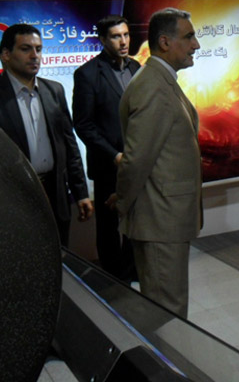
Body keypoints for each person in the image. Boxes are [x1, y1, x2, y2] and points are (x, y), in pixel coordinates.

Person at [107, 8, 202, 318]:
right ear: (164, 42)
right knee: (166, 312)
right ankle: (164, 355)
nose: (196, 45)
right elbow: (136, 161)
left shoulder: (161, 81)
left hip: (166, 217)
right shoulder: (153, 87)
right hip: (160, 219)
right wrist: (124, 202)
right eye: (189, 37)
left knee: (167, 305)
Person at [0, 23, 94, 245]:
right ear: (6, 55)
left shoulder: (54, 90)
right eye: (26, 49)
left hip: (55, 194)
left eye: (39, 49)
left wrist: (81, 192)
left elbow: (69, 144)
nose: (35, 56)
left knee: (58, 254)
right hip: (12, 197)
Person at [73, 15, 140, 281]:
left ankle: (134, 275)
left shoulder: (137, 67)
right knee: (109, 228)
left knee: (136, 221)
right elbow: (84, 125)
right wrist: (114, 155)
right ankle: (113, 281)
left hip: (137, 162)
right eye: (115, 36)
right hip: (107, 165)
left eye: (126, 35)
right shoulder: (88, 74)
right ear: (102, 40)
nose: (123, 41)